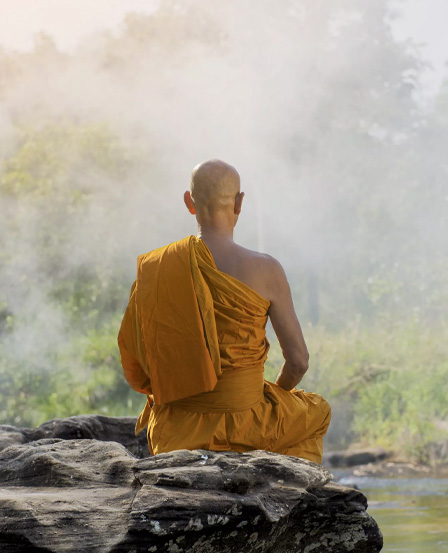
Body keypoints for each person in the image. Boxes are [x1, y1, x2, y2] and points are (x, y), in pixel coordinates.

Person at [117, 159, 330, 463]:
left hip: (177, 430)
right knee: (317, 410)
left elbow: (140, 365)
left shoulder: (157, 268)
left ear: (189, 202)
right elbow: (298, 362)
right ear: (239, 203)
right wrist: (271, 395)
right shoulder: (266, 269)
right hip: (248, 424)